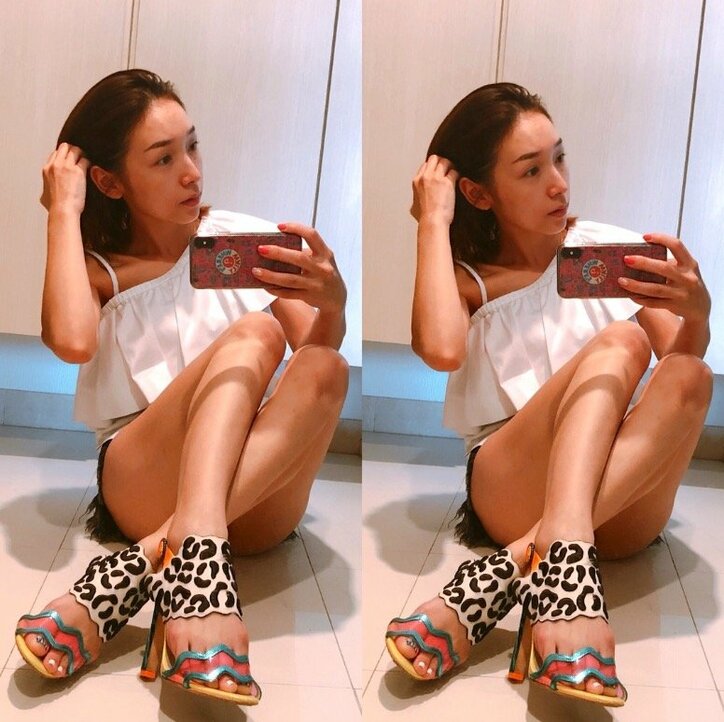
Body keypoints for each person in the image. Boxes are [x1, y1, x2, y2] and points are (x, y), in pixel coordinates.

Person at [14, 69, 349, 706]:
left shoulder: (234, 243)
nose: (192, 172)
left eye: (192, 147)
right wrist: (63, 211)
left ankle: (144, 564)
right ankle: (196, 565)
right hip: (143, 478)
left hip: (252, 500)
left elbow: (317, 353)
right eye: (164, 159)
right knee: (257, 331)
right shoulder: (104, 268)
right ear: (110, 182)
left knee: (327, 368)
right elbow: (72, 342)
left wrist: (334, 302)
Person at [385, 82, 711, 707]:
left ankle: (511, 567)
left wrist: (698, 312)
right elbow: (442, 350)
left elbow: (680, 362)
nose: (559, 184)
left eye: (559, 159)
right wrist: (433, 222)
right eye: (531, 171)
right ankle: (563, 573)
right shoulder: (473, 279)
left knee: (692, 376)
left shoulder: (602, 253)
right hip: (512, 484)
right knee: (623, 341)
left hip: (620, 503)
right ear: (479, 194)